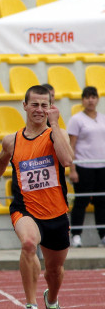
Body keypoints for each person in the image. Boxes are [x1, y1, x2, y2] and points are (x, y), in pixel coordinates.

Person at [0, 85, 72, 309]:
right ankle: (31, 306)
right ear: (24, 106)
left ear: (51, 108)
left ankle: (52, 301)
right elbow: (0, 160)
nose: (39, 110)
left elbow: (66, 160)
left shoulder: (57, 134)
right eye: (34, 104)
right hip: (26, 208)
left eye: (45, 105)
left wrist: (54, 125)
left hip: (56, 212)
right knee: (29, 244)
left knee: (54, 271)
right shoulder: (12, 140)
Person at [67, 86, 105, 247]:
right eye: (87, 97)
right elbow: (72, 145)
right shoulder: (76, 119)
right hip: (83, 166)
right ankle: (76, 235)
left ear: (97, 99)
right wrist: (73, 168)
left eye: (93, 97)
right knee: (81, 201)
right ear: (82, 100)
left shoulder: (102, 117)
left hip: (101, 166)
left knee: (101, 201)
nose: (91, 100)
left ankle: (103, 235)